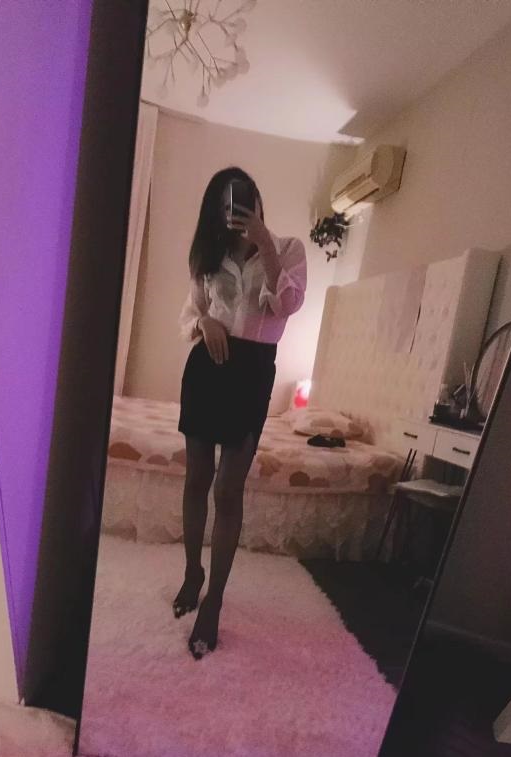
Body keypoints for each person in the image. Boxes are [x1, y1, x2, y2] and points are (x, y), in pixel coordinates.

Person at [175, 166, 307, 659]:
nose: (234, 210)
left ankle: (214, 601)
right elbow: (189, 314)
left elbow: (286, 305)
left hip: (252, 373)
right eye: (225, 203)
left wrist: (263, 242)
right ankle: (193, 572)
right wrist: (205, 322)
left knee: (228, 489)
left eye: (242, 200)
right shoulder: (208, 256)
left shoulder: (288, 248)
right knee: (197, 478)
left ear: (256, 201)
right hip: (206, 368)